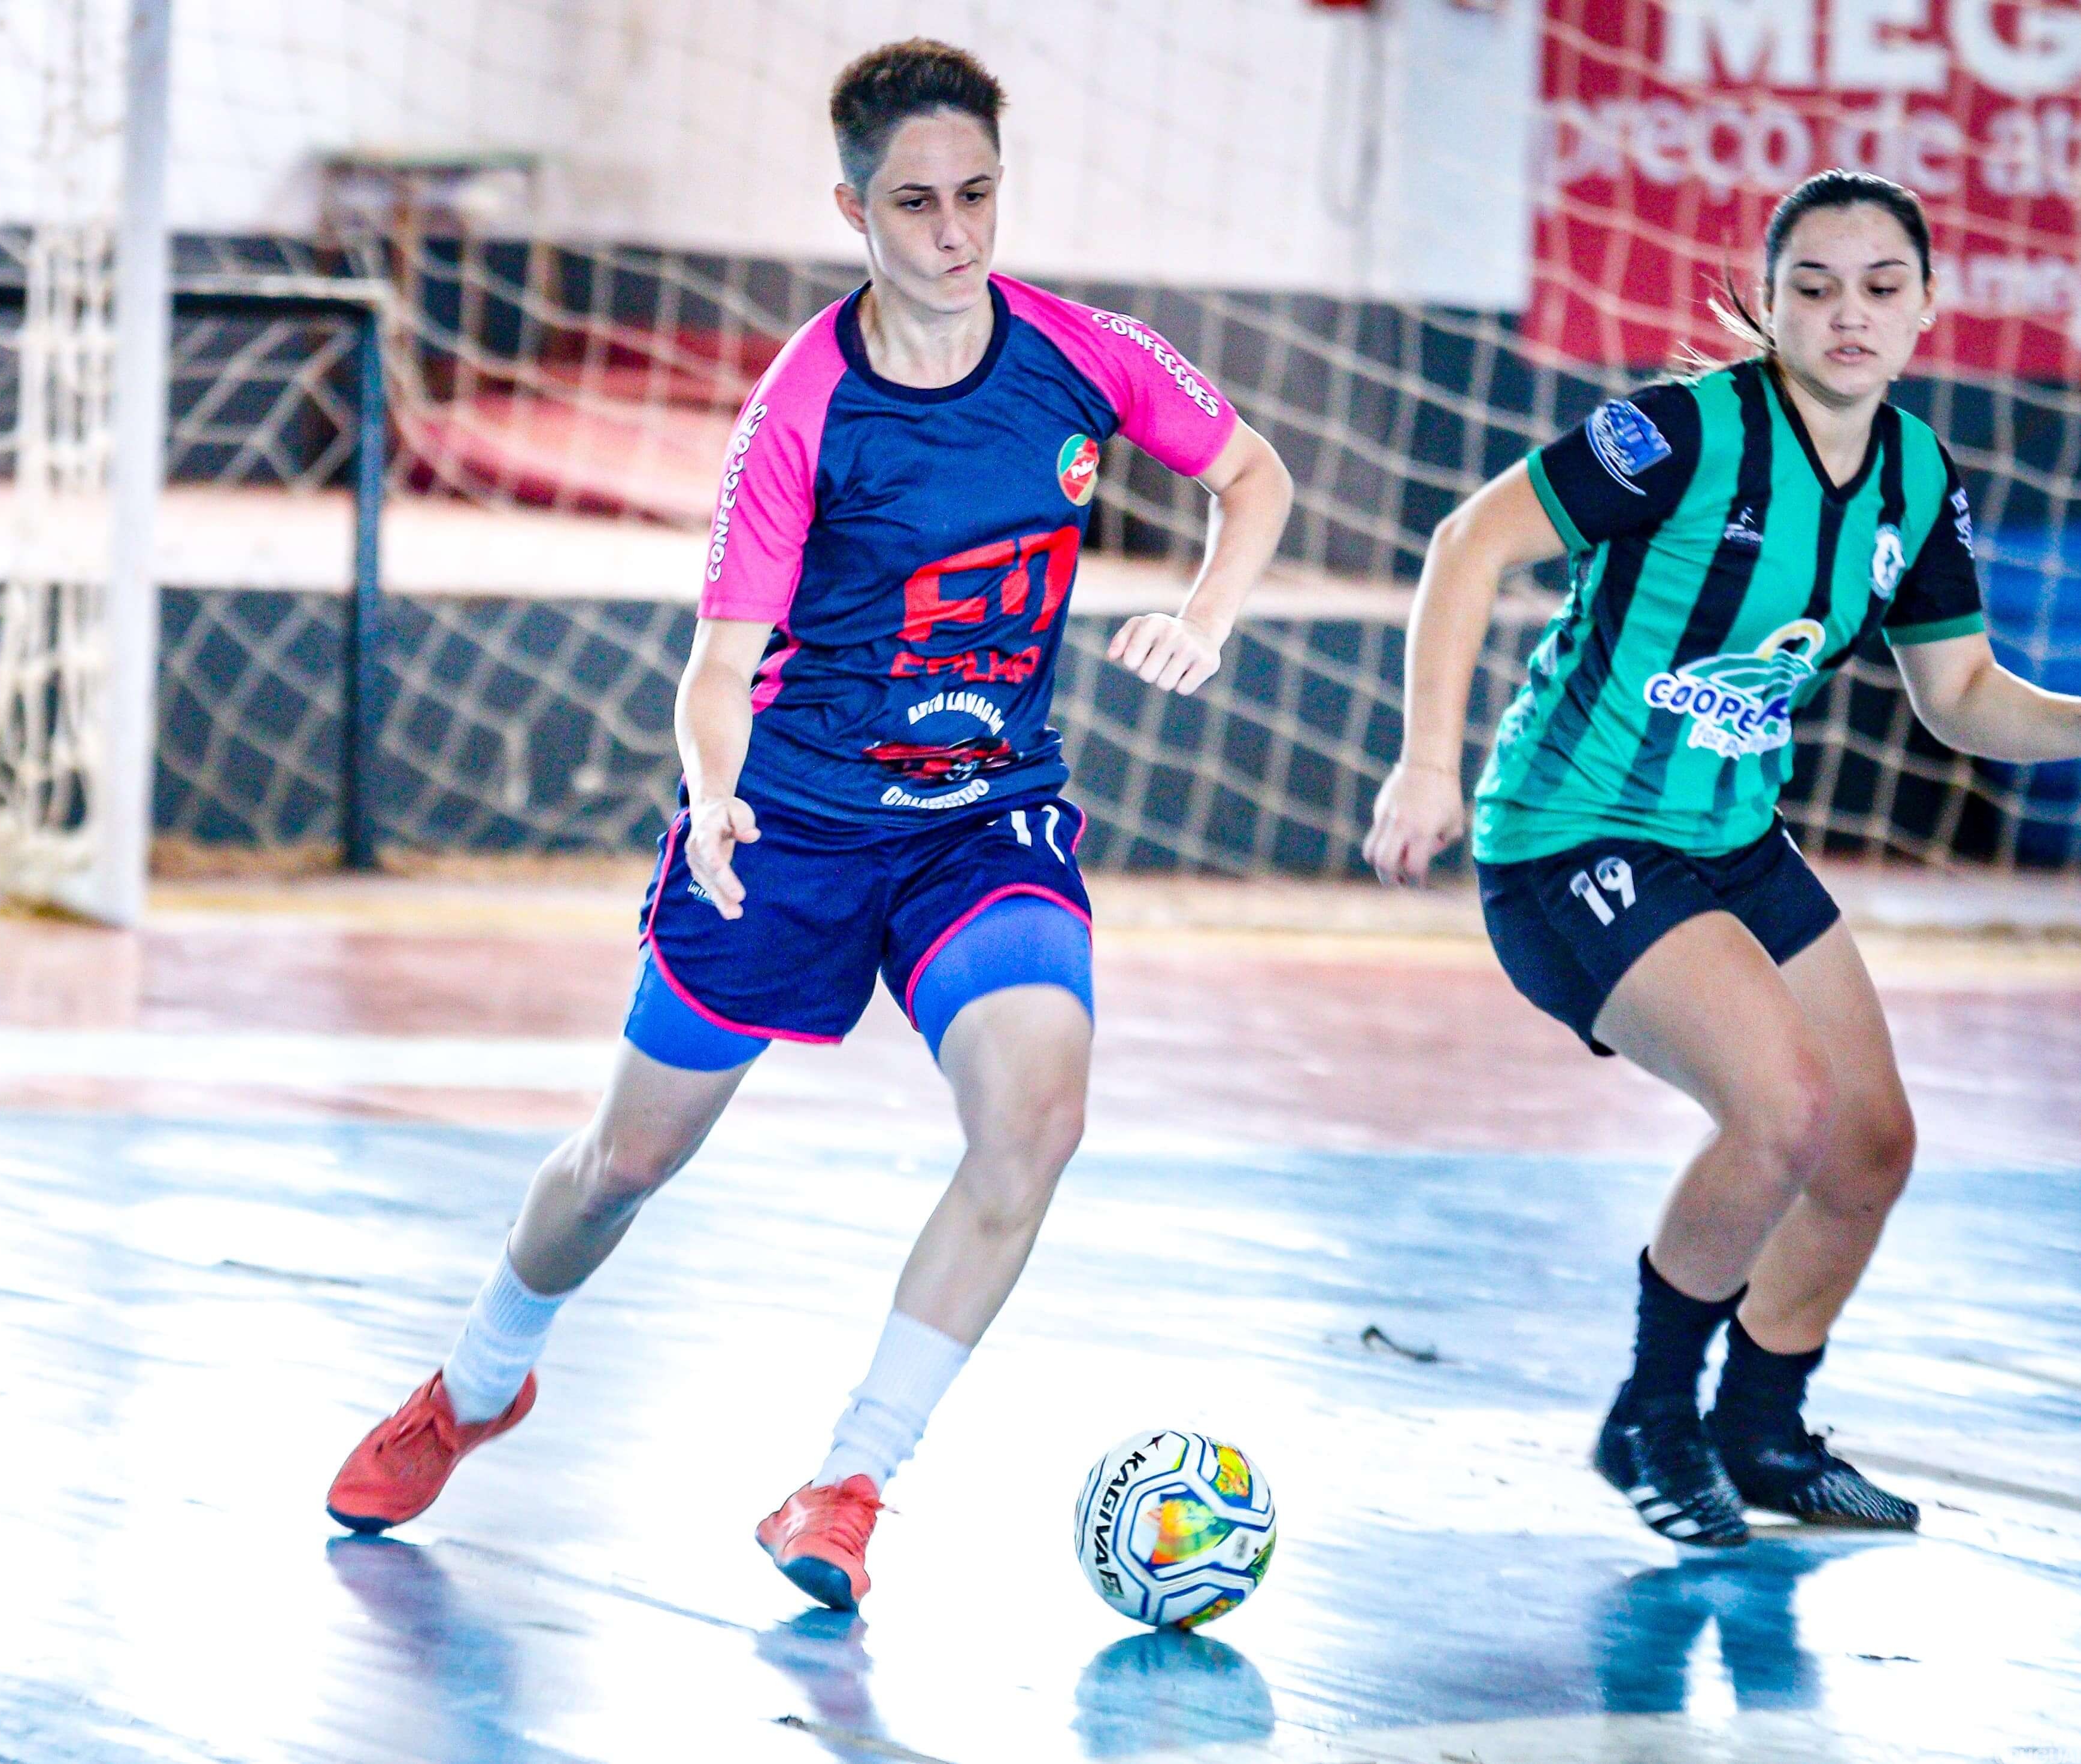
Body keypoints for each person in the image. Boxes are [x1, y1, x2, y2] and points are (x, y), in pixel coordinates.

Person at [327, 37, 1294, 1608]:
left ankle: (845, 1480)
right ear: (850, 205)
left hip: (987, 821)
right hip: (788, 821)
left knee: (1033, 1119)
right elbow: (717, 666)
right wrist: (713, 796)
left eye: (977, 194)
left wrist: (1207, 610)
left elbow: (1246, 474)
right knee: (623, 1163)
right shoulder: (803, 405)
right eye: (914, 202)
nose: (955, 233)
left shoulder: (1079, 352)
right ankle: (479, 1376)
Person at [1366, 169, 2081, 1547]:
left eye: (1880, 286)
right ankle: (1650, 1413)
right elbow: (1469, 541)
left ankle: (1758, 1427)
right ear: (1767, 301)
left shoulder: (1917, 476)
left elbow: (1960, 697)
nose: (1846, 312)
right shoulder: (1682, 434)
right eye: (1811, 285)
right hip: (1570, 836)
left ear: (1926, 307)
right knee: (1781, 1110)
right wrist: (1424, 761)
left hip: (1730, 841)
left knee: (1868, 1144)